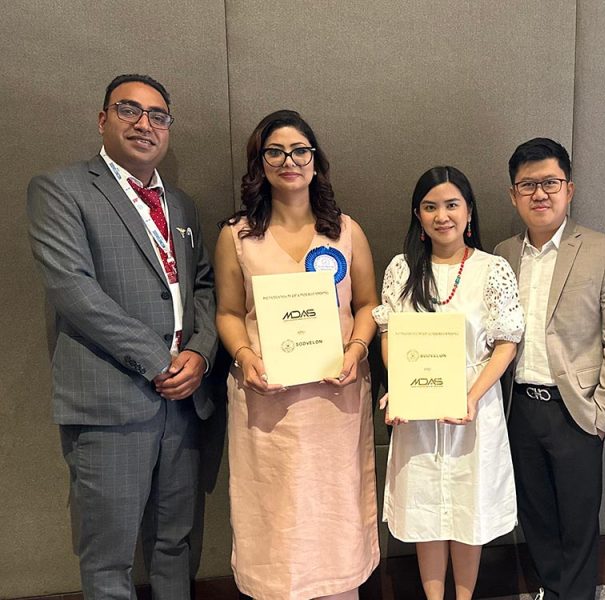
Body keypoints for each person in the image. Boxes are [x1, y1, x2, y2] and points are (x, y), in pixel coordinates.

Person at [27, 74, 217, 599]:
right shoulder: (61, 190)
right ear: (102, 119)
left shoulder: (181, 205)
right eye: (129, 110)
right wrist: (159, 360)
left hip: (184, 404)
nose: (144, 124)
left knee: (175, 545)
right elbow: (73, 289)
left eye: (158, 116)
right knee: (108, 557)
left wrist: (200, 353)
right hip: (110, 403)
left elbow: (203, 286)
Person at [215, 110, 379, 599]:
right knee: (277, 516)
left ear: (315, 159)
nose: (289, 161)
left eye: (299, 150)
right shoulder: (237, 236)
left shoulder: (346, 231)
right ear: (259, 163)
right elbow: (228, 312)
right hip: (268, 403)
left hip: (336, 402)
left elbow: (368, 305)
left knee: (334, 512)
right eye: (275, 151)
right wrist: (245, 356)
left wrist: (356, 349)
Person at [373, 166, 523, 600]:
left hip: (473, 406)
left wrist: (471, 397)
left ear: (469, 211)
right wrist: (401, 386)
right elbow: (389, 335)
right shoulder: (402, 269)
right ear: (418, 215)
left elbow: (506, 344)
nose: (442, 216)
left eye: (452, 205)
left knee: (466, 509)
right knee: (425, 510)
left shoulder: (492, 269)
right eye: (430, 207)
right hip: (417, 410)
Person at [494, 138, 605, 599]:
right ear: (513, 194)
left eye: (550, 183)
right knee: (534, 515)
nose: (540, 194)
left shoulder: (602, 249)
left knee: (577, 520)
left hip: (576, 409)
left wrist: (603, 413)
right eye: (528, 185)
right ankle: (550, 591)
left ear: (569, 189)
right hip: (518, 408)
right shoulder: (502, 254)